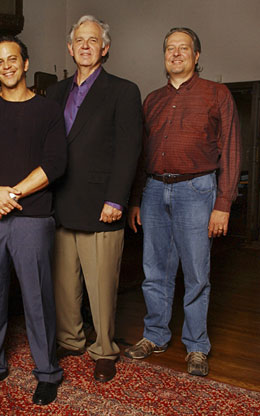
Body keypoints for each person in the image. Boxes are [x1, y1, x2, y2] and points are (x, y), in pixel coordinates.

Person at [124, 27, 241, 377]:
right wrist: (136, 199)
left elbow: (232, 150)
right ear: (164, 56)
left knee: (196, 273)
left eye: (183, 48)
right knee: (154, 271)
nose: (176, 54)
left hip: (198, 191)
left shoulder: (217, 94)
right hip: (155, 191)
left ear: (197, 55)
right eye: (170, 49)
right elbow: (140, 154)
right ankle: (155, 334)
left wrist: (224, 203)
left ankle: (196, 345)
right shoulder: (152, 99)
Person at [0, 36, 66, 405]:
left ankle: (47, 372)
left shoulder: (48, 110)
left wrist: (10, 195)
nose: (7, 66)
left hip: (32, 217)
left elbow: (55, 165)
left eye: (13, 59)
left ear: (24, 64)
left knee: (37, 296)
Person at [46, 15, 142, 383]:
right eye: (79, 40)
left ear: (105, 48)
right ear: (70, 49)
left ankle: (103, 349)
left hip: (102, 203)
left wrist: (117, 199)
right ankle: (71, 339)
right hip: (59, 202)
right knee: (64, 283)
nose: (86, 45)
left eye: (93, 40)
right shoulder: (54, 93)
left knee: (100, 285)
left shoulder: (123, 90)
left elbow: (129, 150)